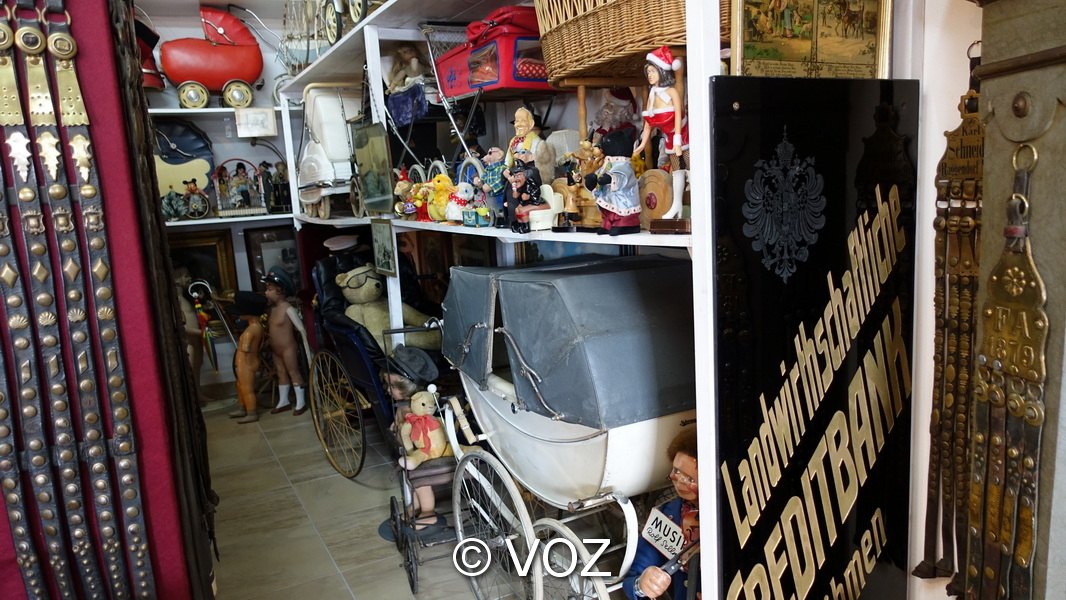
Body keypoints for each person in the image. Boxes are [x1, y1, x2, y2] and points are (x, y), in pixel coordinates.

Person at [379, 345, 451, 538]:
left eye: (393, 387)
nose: (389, 390)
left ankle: (428, 513)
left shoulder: (411, 410)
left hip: (422, 455)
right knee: (412, 483)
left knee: (421, 483)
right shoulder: (403, 406)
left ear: (408, 387)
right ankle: (416, 507)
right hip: (409, 454)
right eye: (388, 385)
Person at [624, 427, 700, 600]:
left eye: (690, 479)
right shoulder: (666, 515)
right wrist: (643, 584)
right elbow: (632, 579)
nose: (680, 483)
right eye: (677, 472)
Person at [634, 46, 689, 214]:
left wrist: (678, 140)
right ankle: (677, 205)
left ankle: (699, 203)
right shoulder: (652, 95)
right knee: (677, 171)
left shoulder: (672, 92)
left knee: (690, 168)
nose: (650, 75)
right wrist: (642, 143)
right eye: (648, 72)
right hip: (669, 137)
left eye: (653, 71)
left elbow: (678, 115)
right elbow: (649, 121)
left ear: (662, 71)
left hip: (683, 134)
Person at [261, 266, 311, 416]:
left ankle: (301, 402)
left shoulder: (288, 308)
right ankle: (284, 401)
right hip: (275, 349)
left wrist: (307, 347)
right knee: (281, 373)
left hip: (288, 348)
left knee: (293, 372)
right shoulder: (272, 309)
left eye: (269, 289)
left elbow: (300, 328)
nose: (266, 292)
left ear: (280, 290)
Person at [227, 291, 268, 424]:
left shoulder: (250, 331)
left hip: (247, 362)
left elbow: (246, 349)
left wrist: (244, 345)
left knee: (246, 388)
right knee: (240, 385)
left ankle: (251, 412)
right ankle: (242, 408)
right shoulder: (257, 327)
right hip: (246, 362)